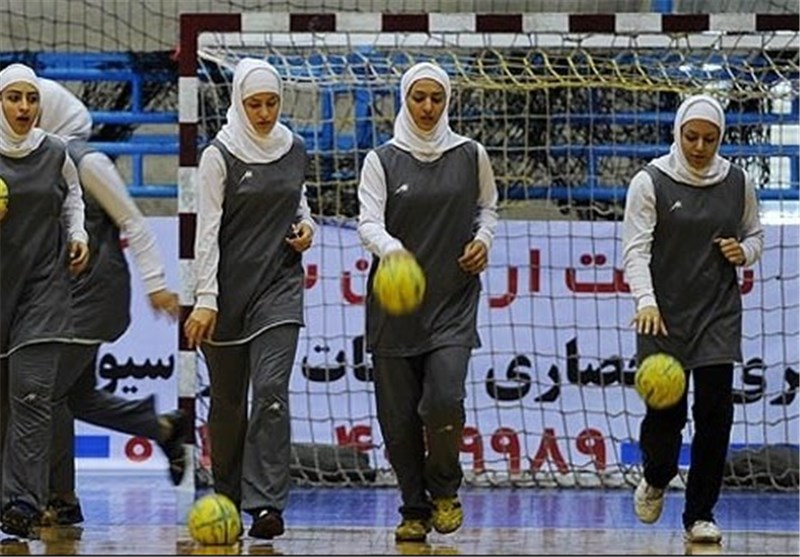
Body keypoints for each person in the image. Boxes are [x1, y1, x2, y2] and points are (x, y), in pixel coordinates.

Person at [34, 77, 187, 526]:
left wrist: (156, 284)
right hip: (62, 299)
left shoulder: (88, 161)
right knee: (77, 397)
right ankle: (163, 428)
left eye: (32, 105)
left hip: (92, 297)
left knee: (46, 394)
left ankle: (60, 497)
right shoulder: (41, 162)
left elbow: (134, 223)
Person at [356, 61, 498, 543]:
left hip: (453, 301)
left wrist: (484, 240)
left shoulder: (471, 154)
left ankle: (445, 489)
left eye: (437, 98)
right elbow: (367, 222)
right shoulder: (381, 159)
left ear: (448, 101)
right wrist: (393, 250)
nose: (428, 107)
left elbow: (488, 209)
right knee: (397, 423)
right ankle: (413, 508)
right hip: (394, 308)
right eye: (419, 97)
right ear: (405, 99)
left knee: (444, 400)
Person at [622, 94, 764, 545]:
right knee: (666, 417)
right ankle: (656, 475)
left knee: (715, 414)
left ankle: (700, 514)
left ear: (720, 138)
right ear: (677, 133)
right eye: (692, 137)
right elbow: (635, 251)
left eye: (709, 139)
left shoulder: (738, 182)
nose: (700, 147)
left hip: (717, 313)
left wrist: (745, 252)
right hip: (661, 317)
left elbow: (754, 234)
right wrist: (646, 301)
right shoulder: (649, 182)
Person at [183, 57, 315, 540]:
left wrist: (307, 227)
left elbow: (299, 204)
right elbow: (206, 233)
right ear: (239, 103)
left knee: (272, 392)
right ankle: (228, 497)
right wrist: (206, 297)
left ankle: (266, 506)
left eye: (271, 103)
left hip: (279, 288)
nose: (263, 113)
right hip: (225, 295)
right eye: (254, 104)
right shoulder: (218, 156)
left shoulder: (294, 147)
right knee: (227, 406)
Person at [0, 63, 90, 538]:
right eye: (14, 98)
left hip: (43, 291)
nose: (24, 107)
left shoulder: (55, 151)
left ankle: (23, 502)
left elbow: (73, 197)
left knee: (32, 395)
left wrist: (78, 234)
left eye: (31, 98)